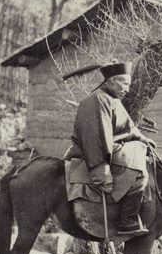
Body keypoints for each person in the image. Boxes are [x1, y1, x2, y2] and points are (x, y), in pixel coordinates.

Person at [63, 61, 155, 237]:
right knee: (137, 169)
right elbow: (95, 138)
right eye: (125, 84)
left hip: (112, 147)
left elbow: (128, 127)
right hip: (96, 150)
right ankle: (126, 220)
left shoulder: (113, 100)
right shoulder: (96, 100)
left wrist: (143, 139)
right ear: (112, 80)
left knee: (140, 149)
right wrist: (101, 170)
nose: (127, 89)